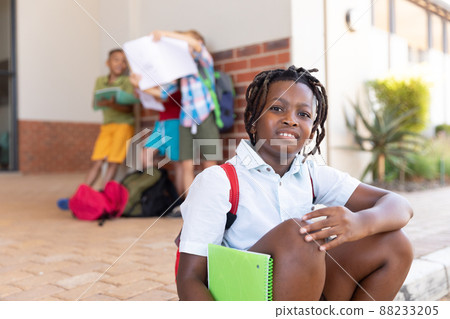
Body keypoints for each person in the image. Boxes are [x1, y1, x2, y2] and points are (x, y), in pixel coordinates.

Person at [176, 66, 414, 301]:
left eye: (304, 114)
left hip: (303, 293)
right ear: (252, 119)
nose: (290, 120)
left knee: (394, 244)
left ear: (312, 130)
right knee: (300, 235)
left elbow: (399, 205)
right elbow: (190, 279)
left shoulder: (311, 174)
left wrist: (360, 222)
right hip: (246, 298)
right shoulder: (220, 181)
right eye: (277, 108)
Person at [57, 49, 135, 210]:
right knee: (97, 161)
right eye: (116, 60)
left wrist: (113, 104)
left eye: (124, 61)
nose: (120, 63)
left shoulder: (127, 82)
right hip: (107, 126)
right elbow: (96, 102)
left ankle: (103, 196)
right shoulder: (100, 81)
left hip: (124, 124)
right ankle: (78, 197)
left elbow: (129, 109)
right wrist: (106, 103)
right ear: (108, 63)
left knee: (113, 162)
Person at [150, 30, 220, 194]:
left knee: (209, 163)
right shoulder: (181, 72)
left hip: (205, 118)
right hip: (185, 121)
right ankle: (189, 205)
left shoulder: (204, 64)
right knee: (186, 164)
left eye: (187, 43)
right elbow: (163, 93)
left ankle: (214, 204)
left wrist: (166, 34)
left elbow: (197, 45)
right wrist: (140, 85)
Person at [129, 75, 184, 196]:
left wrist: (142, 87)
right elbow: (157, 98)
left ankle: (178, 202)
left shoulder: (179, 78)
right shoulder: (163, 78)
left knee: (177, 162)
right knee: (145, 155)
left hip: (175, 122)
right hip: (161, 123)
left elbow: (164, 96)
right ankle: (155, 192)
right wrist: (142, 94)